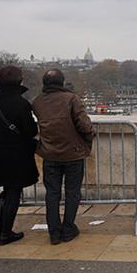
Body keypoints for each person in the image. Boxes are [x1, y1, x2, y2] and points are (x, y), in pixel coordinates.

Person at [32, 69, 95, 245]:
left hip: (50, 154)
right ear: (62, 82)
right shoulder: (71, 99)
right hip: (73, 153)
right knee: (72, 192)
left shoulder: (37, 102)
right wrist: (90, 137)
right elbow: (84, 125)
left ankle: (54, 232)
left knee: (52, 194)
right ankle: (68, 229)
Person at [0, 66, 39, 245]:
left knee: (8, 191)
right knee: (14, 192)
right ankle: (4, 232)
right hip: (16, 153)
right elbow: (30, 131)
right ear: (19, 81)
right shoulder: (21, 103)